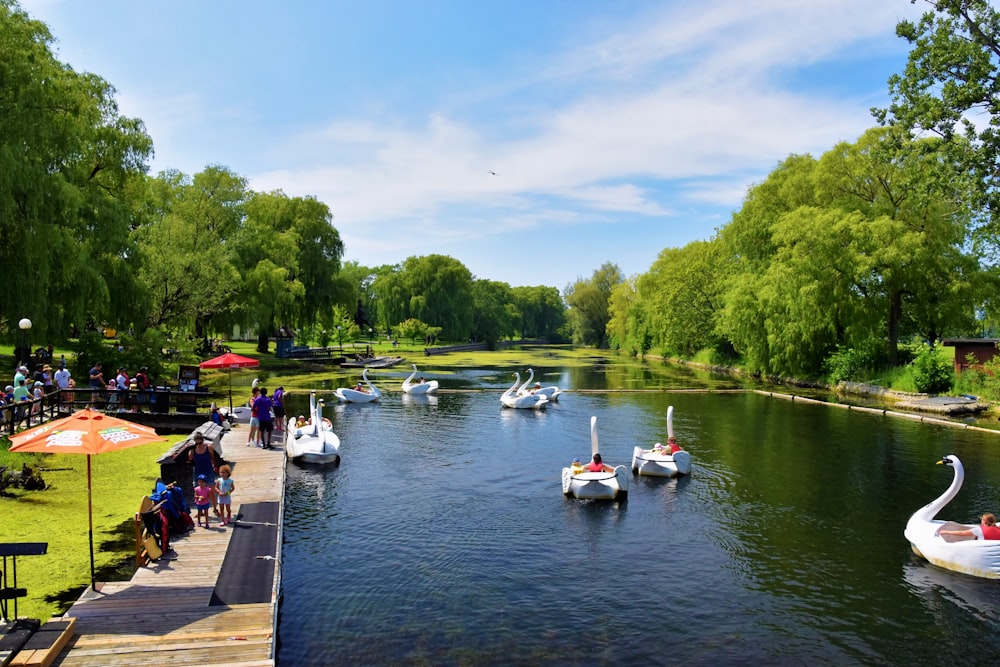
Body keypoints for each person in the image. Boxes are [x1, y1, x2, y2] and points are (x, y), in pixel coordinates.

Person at [187, 432, 219, 516]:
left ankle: (215, 509)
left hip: (208, 471)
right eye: (196, 443)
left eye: (200, 443)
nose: (198, 445)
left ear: (203, 441)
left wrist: (216, 466)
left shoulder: (209, 448)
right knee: (198, 492)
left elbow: (213, 458)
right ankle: (200, 511)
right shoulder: (193, 451)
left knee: (211, 491)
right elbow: (189, 460)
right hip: (198, 472)